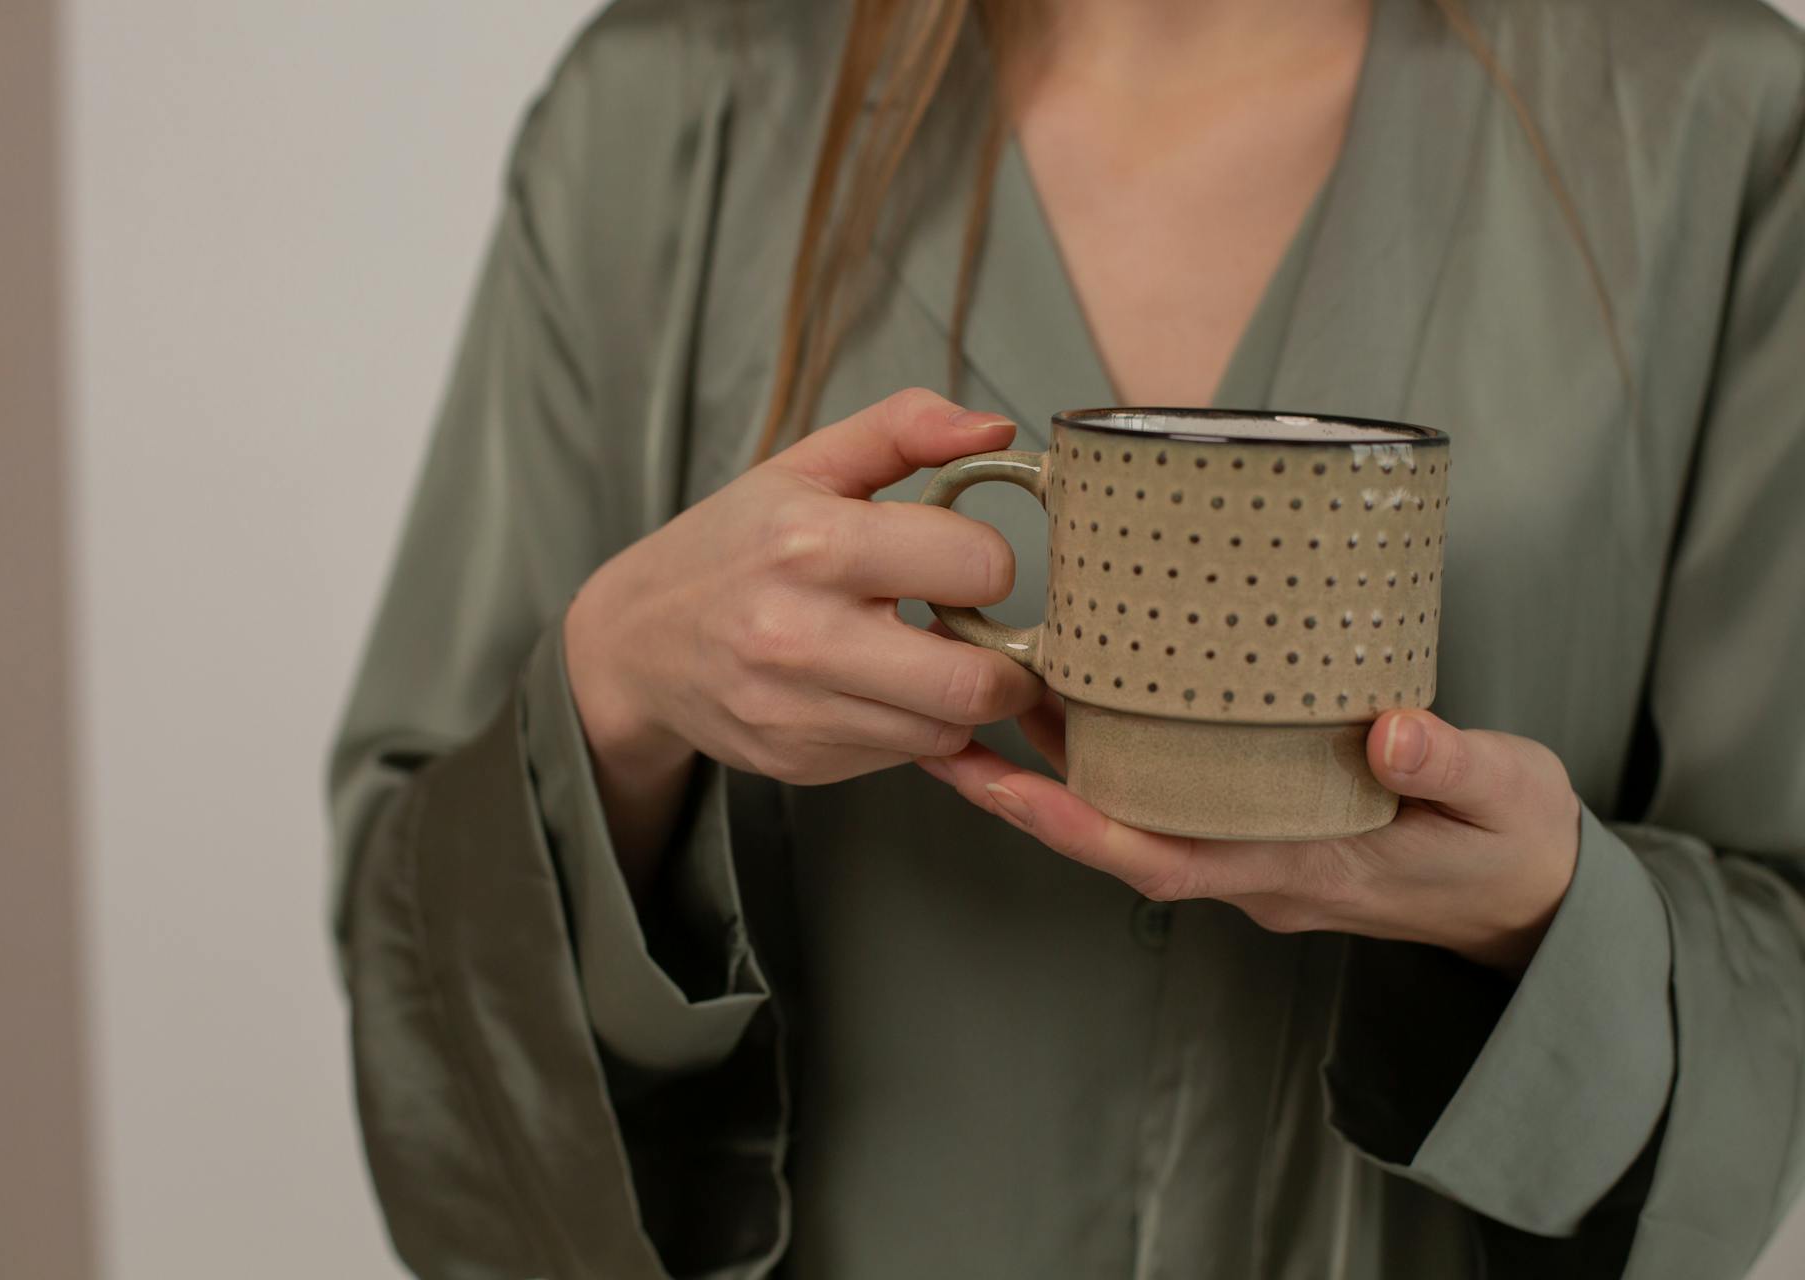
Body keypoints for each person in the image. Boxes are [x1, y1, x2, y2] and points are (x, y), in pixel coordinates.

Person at [325, 0, 1805, 1274]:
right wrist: (617, 691)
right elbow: (421, 961)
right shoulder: (663, 111)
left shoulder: (1717, 123)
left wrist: (1542, 918)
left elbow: (1780, 970)